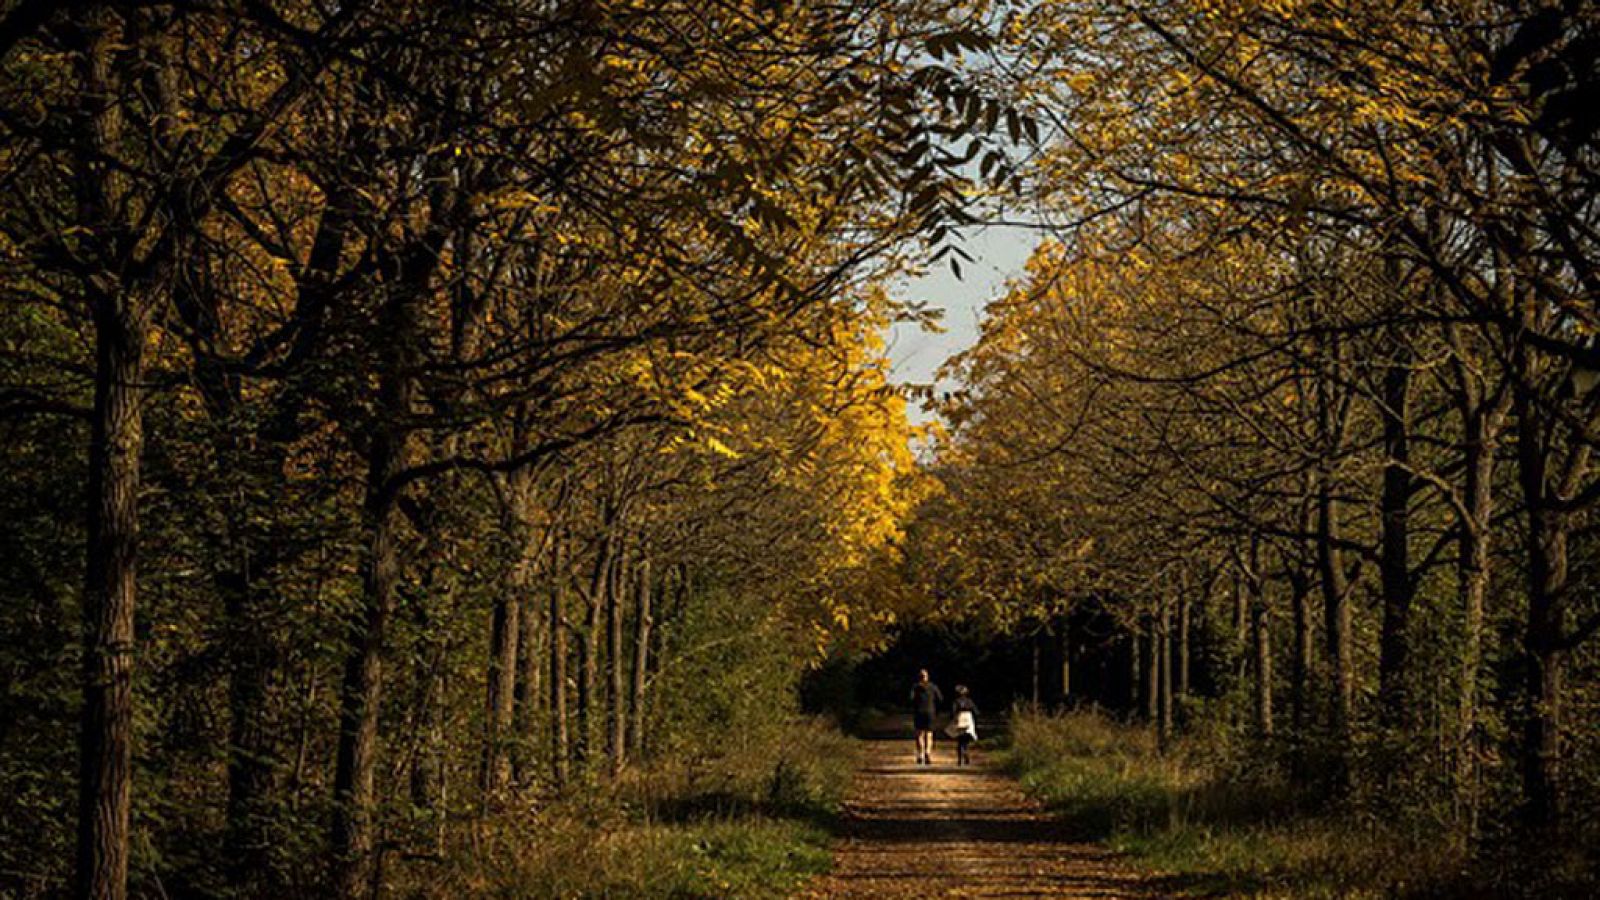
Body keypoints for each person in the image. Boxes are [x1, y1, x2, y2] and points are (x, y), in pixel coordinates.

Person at [909, 669, 943, 765]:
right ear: (927, 677)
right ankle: (928, 753)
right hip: (930, 712)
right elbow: (940, 699)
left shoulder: (915, 687)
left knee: (919, 734)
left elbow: (911, 699)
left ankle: (920, 754)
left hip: (919, 712)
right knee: (929, 734)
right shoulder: (933, 687)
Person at [950, 685, 979, 765]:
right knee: (966, 741)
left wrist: (953, 719)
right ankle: (966, 755)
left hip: (959, 719)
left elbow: (953, 712)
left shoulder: (956, 701)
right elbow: (976, 711)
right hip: (968, 720)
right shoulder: (969, 701)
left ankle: (960, 759)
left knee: (959, 741)